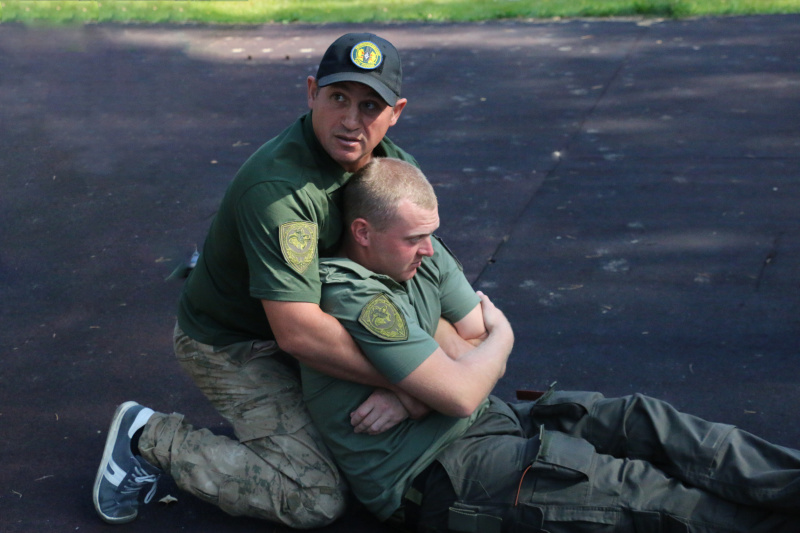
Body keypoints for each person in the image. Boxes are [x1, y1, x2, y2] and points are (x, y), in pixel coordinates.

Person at [302, 157, 800, 532]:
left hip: (492, 423)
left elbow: (472, 337)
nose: (430, 249)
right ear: (363, 232)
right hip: (439, 473)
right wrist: (500, 339)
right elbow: (462, 386)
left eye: (431, 235)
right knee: (633, 491)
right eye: (414, 238)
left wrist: (410, 390)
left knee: (642, 418)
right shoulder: (349, 291)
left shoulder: (418, 252)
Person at [93, 33, 428, 528]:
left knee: (390, 441)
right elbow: (297, 332)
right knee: (314, 497)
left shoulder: (392, 172)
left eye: (370, 105)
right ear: (312, 91)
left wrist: (426, 379)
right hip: (237, 343)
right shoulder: (280, 191)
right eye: (338, 98)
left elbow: (427, 277)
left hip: (316, 328)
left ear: (395, 112)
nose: (352, 120)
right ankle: (147, 436)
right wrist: (413, 383)